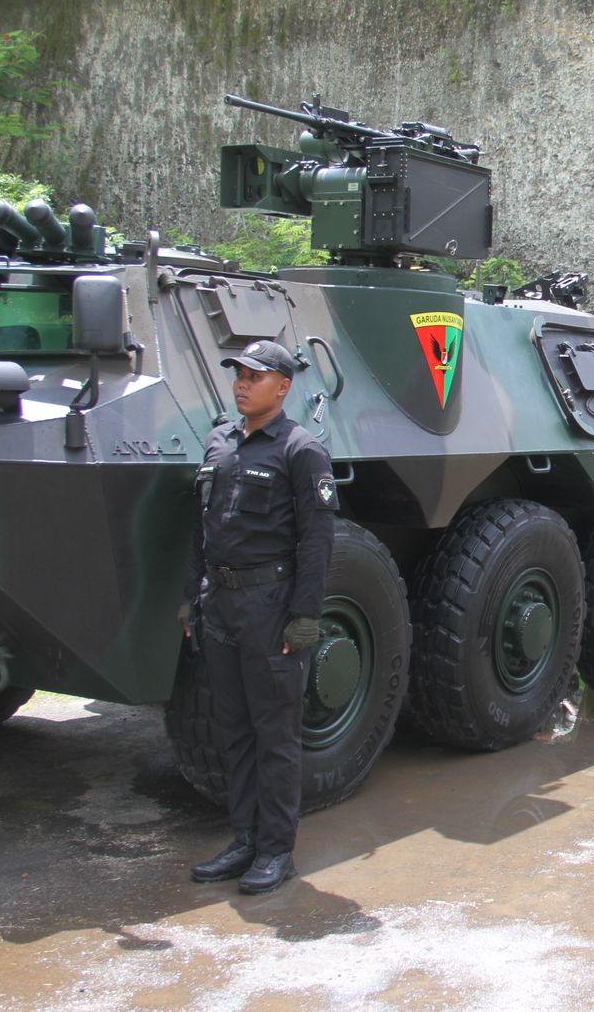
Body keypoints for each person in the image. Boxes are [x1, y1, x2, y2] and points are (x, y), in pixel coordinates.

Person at [183, 340, 338, 895]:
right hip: (220, 604)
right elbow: (201, 527)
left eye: (255, 375)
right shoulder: (219, 442)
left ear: (283, 386)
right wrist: (191, 595)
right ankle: (244, 839)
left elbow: (317, 542)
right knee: (234, 730)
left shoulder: (301, 451)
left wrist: (304, 617)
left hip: (270, 608)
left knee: (274, 734)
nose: (243, 383)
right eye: (239, 375)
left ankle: (276, 850)